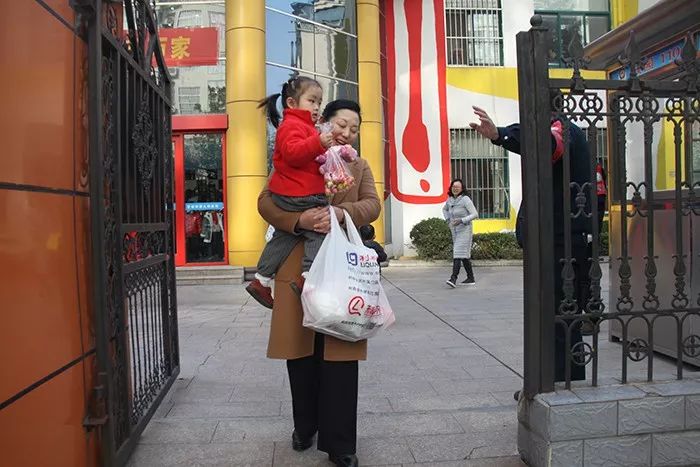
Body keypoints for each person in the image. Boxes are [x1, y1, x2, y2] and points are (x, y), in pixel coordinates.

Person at [258, 99, 379, 467]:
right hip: (298, 266)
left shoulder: (359, 165)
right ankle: (304, 426)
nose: (347, 132)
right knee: (301, 352)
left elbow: (372, 204)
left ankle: (340, 443)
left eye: (354, 128)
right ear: (324, 123)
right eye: (341, 124)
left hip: (341, 268)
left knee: (340, 351)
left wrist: (340, 213)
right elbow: (265, 202)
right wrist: (301, 221)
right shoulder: (298, 155)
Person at [470, 105, 592, 384]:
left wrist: (501, 134)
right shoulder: (560, 129)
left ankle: (563, 380)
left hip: (562, 240)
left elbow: (547, 144)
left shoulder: (563, 130)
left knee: (561, 310)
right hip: (554, 237)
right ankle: (553, 378)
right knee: (553, 310)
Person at [246, 76, 336, 309]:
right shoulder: (293, 125)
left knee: (284, 236)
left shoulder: (303, 126)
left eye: (319, 102)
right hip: (301, 194)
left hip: (292, 194)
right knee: (319, 230)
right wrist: (318, 143)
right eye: (311, 101)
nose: (316, 107)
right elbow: (293, 153)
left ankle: (261, 280)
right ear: (292, 103)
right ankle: (308, 279)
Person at [443, 179, 478, 288]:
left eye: (458, 187)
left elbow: (475, 214)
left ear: (462, 188)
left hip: (465, 229)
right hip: (454, 230)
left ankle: (453, 278)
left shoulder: (465, 200)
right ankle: (470, 277)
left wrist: (462, 220)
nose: (455, 189)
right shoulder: (450, 200)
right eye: (453, 186)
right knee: (464, 255)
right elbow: (444, 209)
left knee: (457, 252)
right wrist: (448, 219)